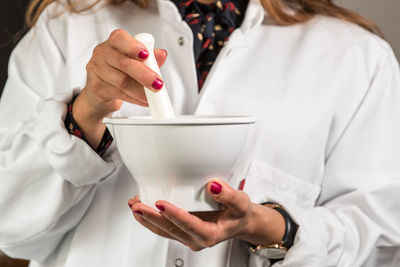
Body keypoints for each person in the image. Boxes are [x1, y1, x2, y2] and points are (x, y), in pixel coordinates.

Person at [0, 0, 399, 266]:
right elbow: (11, 230)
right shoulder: (64, 27)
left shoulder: (356, 57)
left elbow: (380, 240)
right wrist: (83, 116)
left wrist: (270, 228)